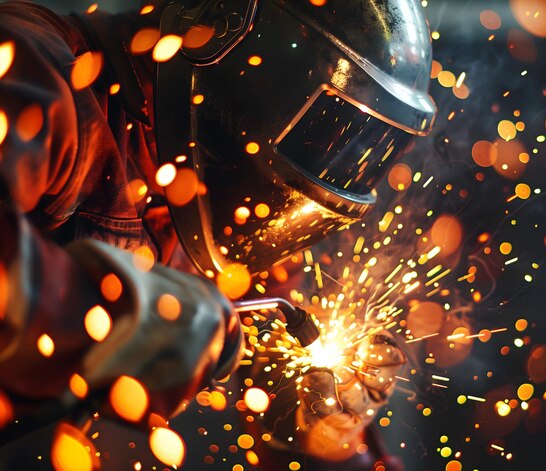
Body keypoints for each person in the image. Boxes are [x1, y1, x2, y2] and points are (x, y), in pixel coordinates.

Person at [0, 0, 435, 468]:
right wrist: (108, 307)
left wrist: (323, 438)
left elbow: (272, 361)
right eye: (324, 128)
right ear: (229, 38)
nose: (329, 155)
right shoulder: (32, 71)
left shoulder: (230, 210)